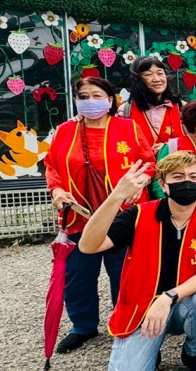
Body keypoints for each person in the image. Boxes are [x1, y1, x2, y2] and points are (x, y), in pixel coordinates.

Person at [79, 152, 196, 371]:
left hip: (182, 303)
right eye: (178, 177)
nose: (187, 182)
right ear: (163, 183)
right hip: (141, 309)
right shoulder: (138, 215)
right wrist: (116, 196)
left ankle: (194, 352)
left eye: (194, 176)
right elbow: (88, 245)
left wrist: (168, 297)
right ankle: (151, 349)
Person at [45, 76, 156, 354]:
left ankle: (125, 319)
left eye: (97, 96)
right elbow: (52, 167)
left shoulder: (128, 128)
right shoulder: (64, 131)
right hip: (79, 216)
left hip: (122, 216)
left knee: (124, 272)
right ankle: (82, 326)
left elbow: (149, 163)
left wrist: (140, 182)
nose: (90, 101)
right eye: (84, 96)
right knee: (78, 274)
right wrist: (57, 191)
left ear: (110, 100)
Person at [120, 56, 184, 153]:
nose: (156, 79)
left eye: (160, 73)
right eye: (148, 74)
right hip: (140, 167)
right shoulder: (125, 110)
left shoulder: (181, 107)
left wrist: (169, 148)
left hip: (174, 167)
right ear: (138, 80)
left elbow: (195, 141)